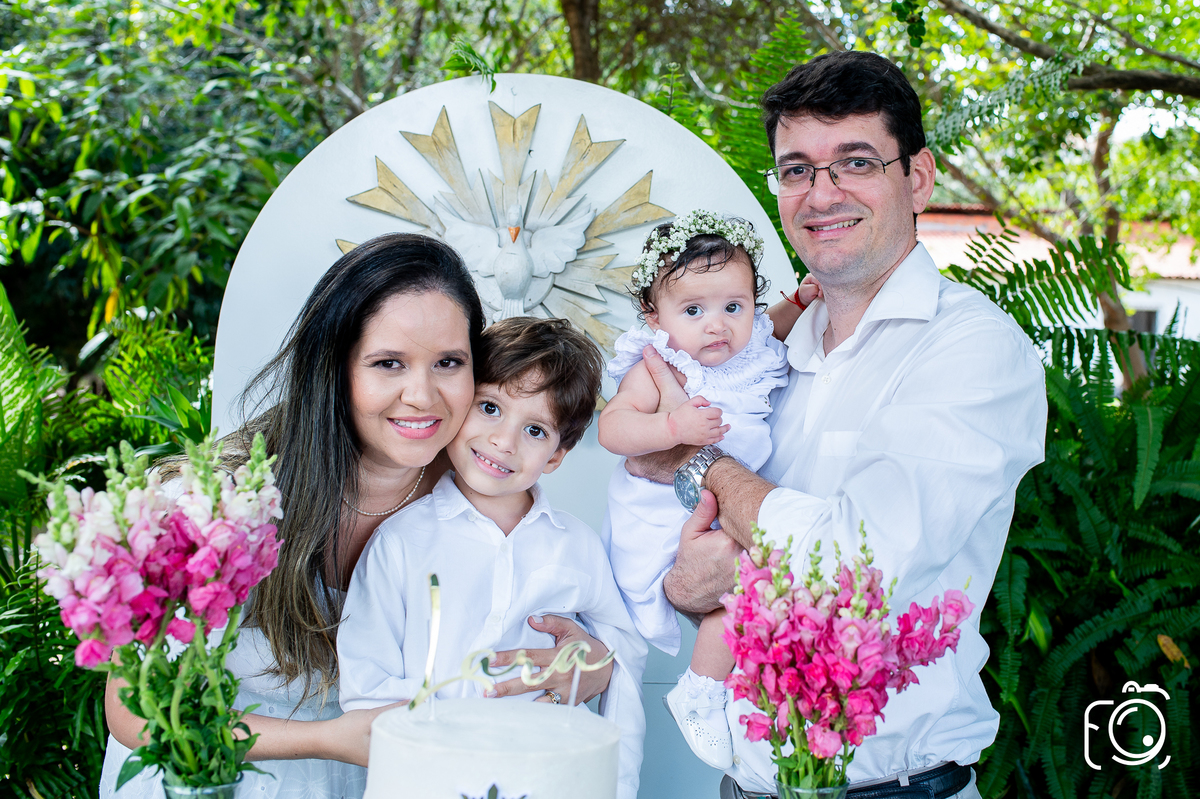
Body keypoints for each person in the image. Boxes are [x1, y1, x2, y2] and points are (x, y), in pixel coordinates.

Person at [626, 52, 1047, 798]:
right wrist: (692, 586)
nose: (821, 194)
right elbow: (701, 576)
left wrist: (704, 462)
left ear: (916, 178)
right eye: (797, 170)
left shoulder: (970, 347)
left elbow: (861, 564)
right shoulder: (760, 353)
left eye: (853, 161)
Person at [99, 234, 616, 798]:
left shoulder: (478, 495)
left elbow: (539, 621)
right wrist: (327, 738)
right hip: (216, 773)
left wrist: (593, 667)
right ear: (336, 369)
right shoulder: (224, 501)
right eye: (388, 363)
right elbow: (134, 717)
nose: (421, 395)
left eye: (448, 362)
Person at [338, 316, 648, 799]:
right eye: (489, 407)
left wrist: (617, 783)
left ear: (557, 456)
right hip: (429, 784)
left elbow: (621, 653)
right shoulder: (399, 542)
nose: (505, 441)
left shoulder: (576, 546)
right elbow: (367, 683)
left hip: (550, 783)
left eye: (536, 431)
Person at [597, 210, 820, 770]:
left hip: (721, 503)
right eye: (693, 311)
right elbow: (613, 429)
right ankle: (700, 690)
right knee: (745, 586)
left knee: (759, 588)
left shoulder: (752, 350)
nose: (716, 325)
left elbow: (777, 324)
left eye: (733, 306)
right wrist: (671, 429)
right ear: (654, 315)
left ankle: (713, 686)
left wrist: (800, 301)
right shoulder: (659, 365)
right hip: (661, 514)